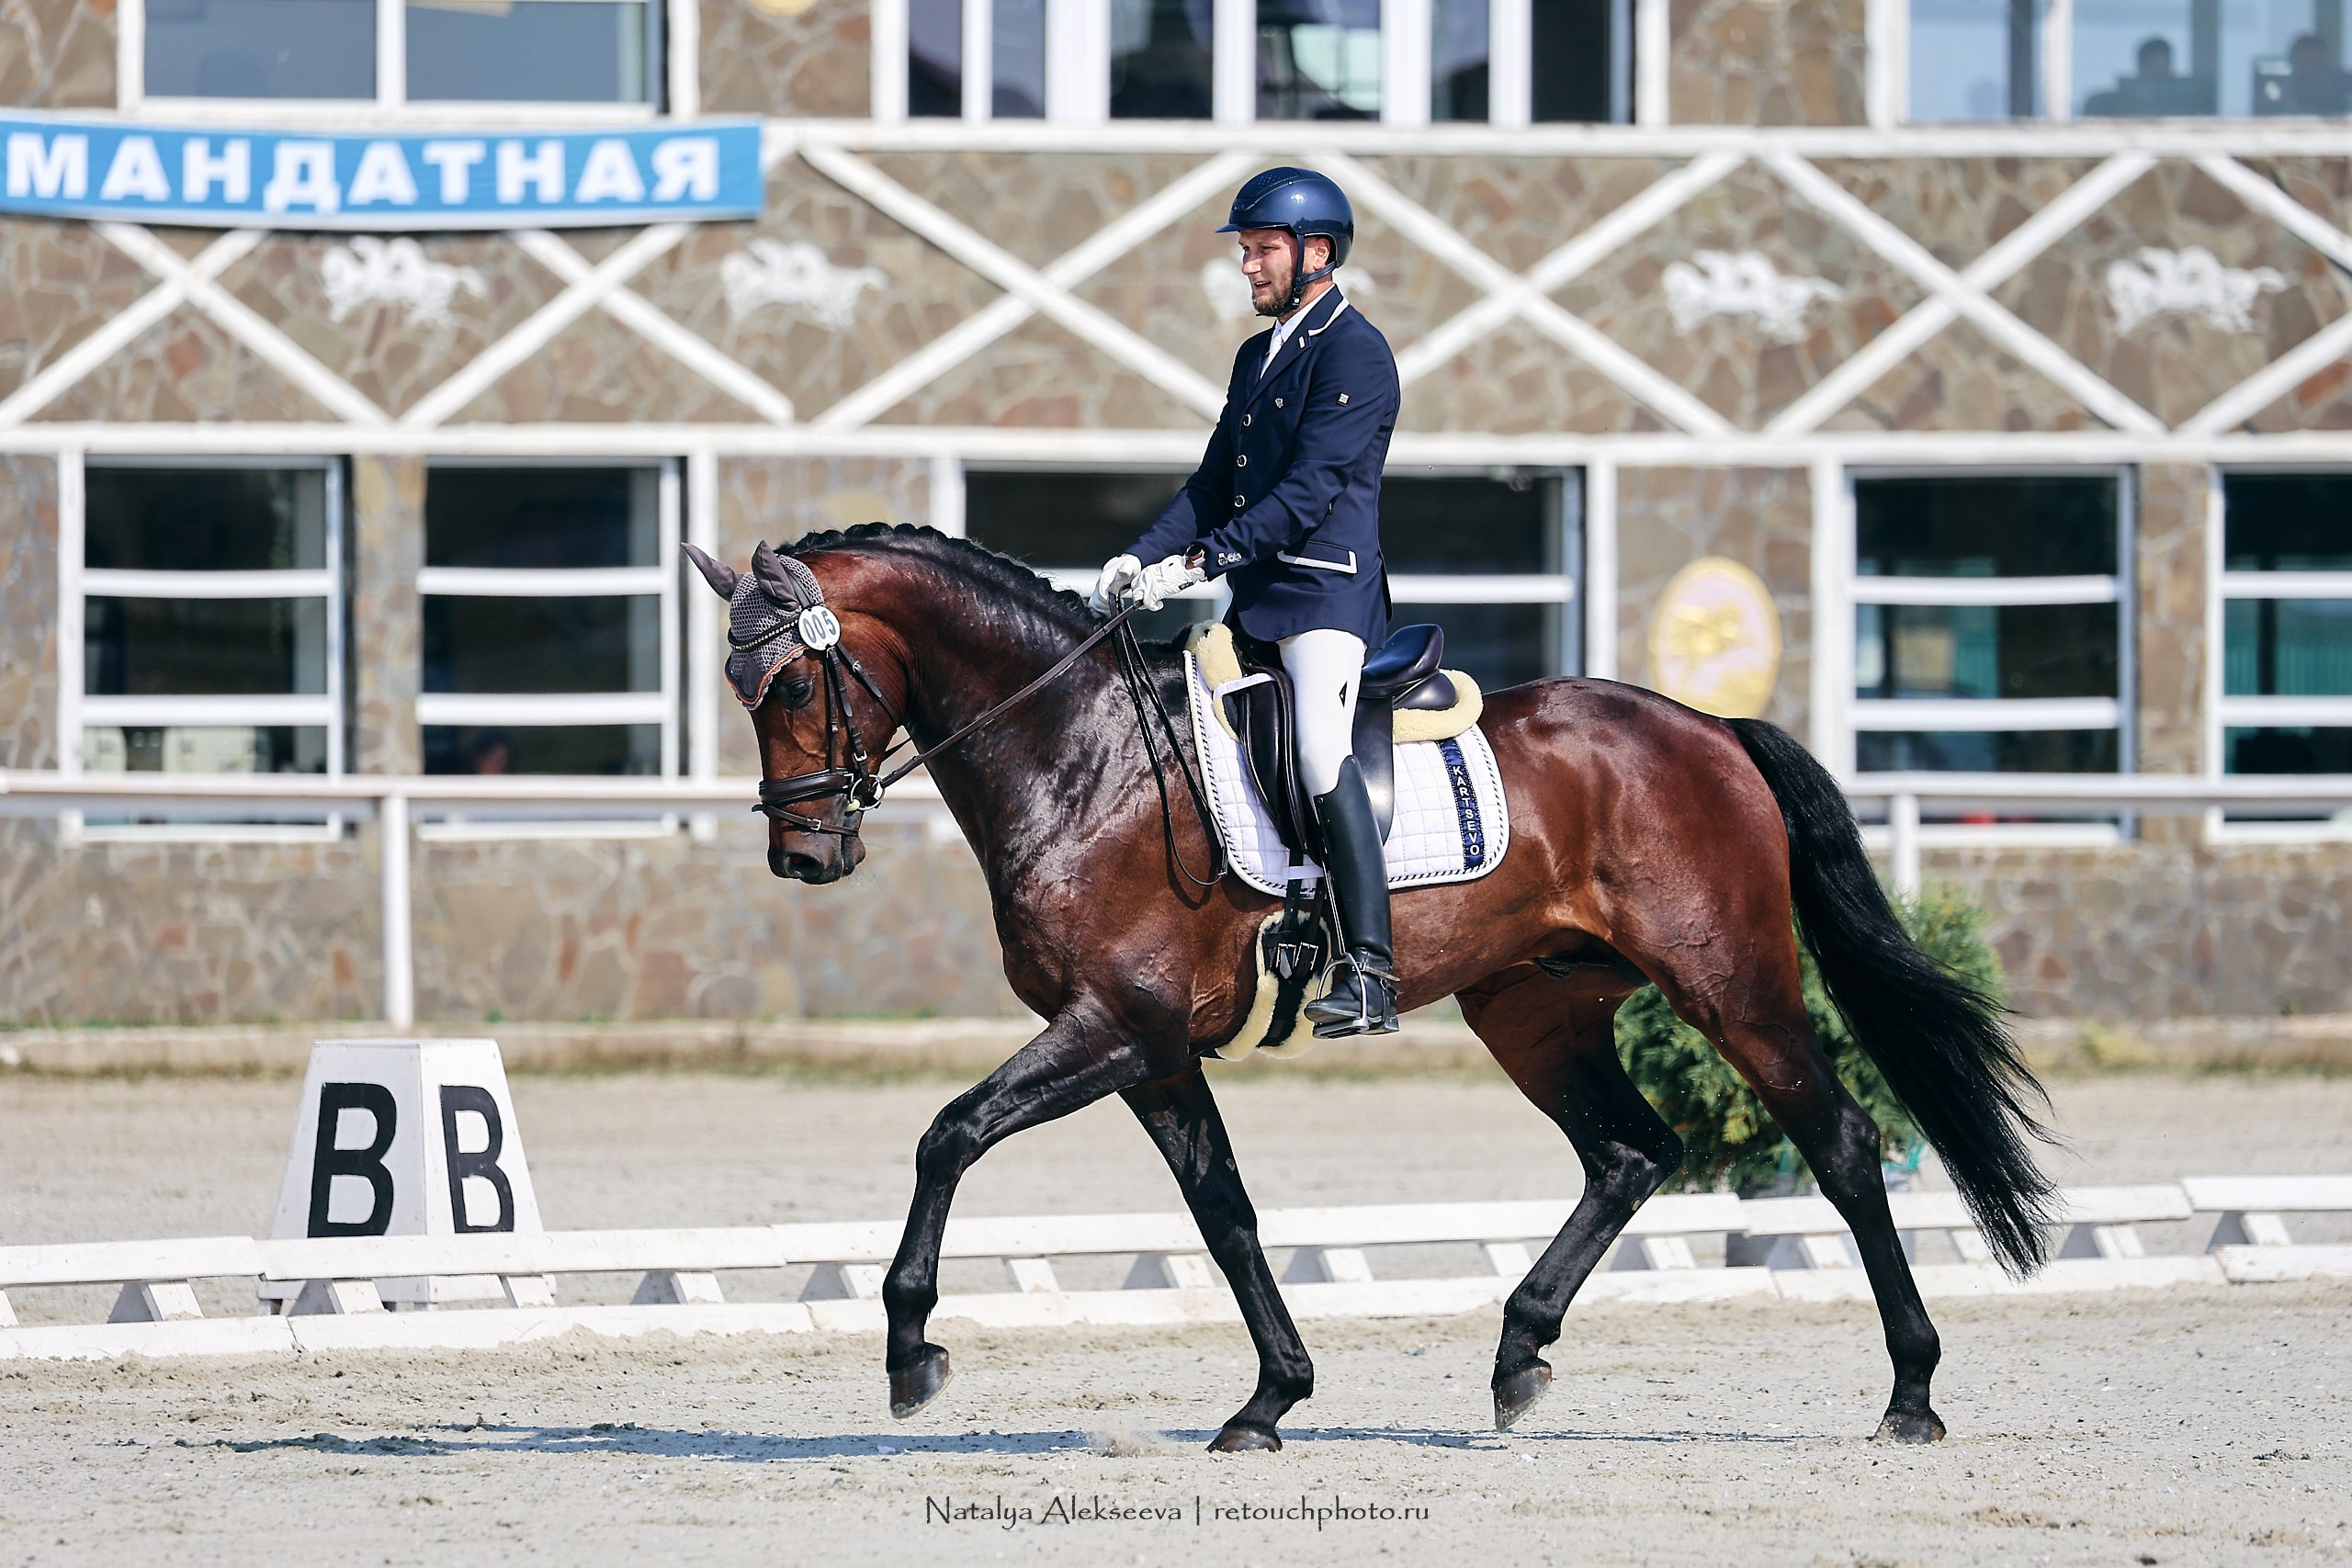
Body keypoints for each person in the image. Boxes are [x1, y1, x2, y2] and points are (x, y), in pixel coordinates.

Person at [1089, 166, 1403, 1037]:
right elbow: (1213, 482)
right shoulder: (1256, 356)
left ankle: (1372, 970)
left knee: (1317, 753)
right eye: (1247, 250)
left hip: (1325, 599)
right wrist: (1139, 554)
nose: (1248, 267)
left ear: (1316, 253)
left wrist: (1200, 561)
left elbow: (1307, 492)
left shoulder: (1355, 352)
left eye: (1261, 250)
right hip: (1257, 604)